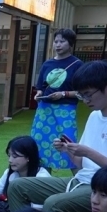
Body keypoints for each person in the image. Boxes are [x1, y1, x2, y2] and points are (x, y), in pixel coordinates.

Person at [8, 60, 107, 212]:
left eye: (88, 94)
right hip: (81, 181)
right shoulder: (95, 116)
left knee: (54, 204)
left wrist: (89, 153)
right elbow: (81, 164)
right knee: (17, 186)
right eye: (81, 95)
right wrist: (68, 149)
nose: (85, 100)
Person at [31, 28, 83, 170]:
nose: (58, 45)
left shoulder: (77, 65)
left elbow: (82, 92)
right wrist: (38, 94)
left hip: (65, 110)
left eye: (62, 41)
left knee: (68, 143)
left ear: (70, 44)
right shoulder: (47, 64)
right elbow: (41, 87)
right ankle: (43, 178)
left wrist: (63, 94)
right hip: (44, 110)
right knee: (41, 143)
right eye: (56, 41)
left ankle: (80, 177)